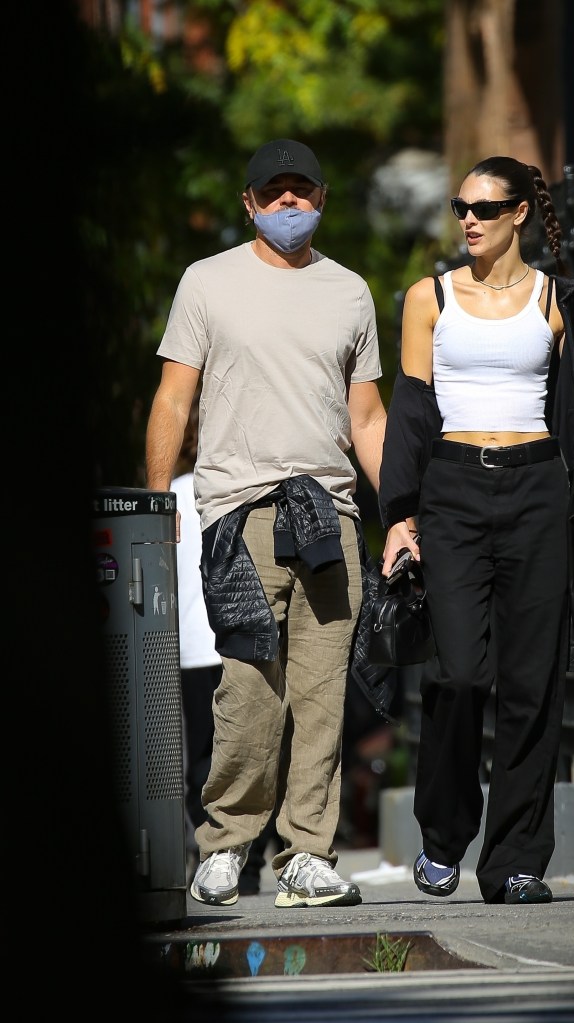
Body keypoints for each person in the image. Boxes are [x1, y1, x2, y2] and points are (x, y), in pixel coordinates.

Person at [146, 138, 387, 909]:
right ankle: (224, 841)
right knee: (249, 688)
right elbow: (173, 399)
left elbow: (368, 416)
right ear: (248, 203)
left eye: (301, 191)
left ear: (321, 197)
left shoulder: (350, 291)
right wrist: (158, 502)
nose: (289, 204)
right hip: (239, 512)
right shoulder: (206, 282)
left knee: (321, 693)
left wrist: (405, 511)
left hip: (331, 515)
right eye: (273, 192)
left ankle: (305, 854)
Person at [378, 155, 574, 906]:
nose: (468, 221)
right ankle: (444, 834)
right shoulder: (430, 297)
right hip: (451, 487)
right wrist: (397, 514)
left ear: (519, 213)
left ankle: (515, 860)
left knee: (529, 681)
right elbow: (412, 410)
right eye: (459, 207)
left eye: (484, 208)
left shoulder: (557, 298)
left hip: (537, 490)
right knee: (456, 671)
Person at [171, 394, 280, 894]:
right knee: (249, 746)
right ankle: (247, 859)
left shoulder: (172, 494)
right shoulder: (240, 490)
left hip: (197, 646)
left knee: (206, 758)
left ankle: (220, 854)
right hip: (222, 642)